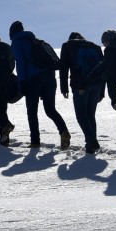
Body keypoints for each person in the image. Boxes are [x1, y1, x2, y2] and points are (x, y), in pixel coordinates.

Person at [8, 21, 70, 149]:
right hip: (49, 79)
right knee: (50, 110)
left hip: (32, 80)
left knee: (32, 111)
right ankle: (63, 131)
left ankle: (35, 141)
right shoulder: (37, 41)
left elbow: (20, 63)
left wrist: (22, 82)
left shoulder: (17, 43)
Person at [59, 32, 105, 153]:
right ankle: (90, 145)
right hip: (97, 85)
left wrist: (64, 88)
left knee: (81, 114)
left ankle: (92, 141)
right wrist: (102, 91)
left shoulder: (68, 46)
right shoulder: (95, 47)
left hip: (80, 85)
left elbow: (63, 67)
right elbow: (103, 69)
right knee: (90, 115)